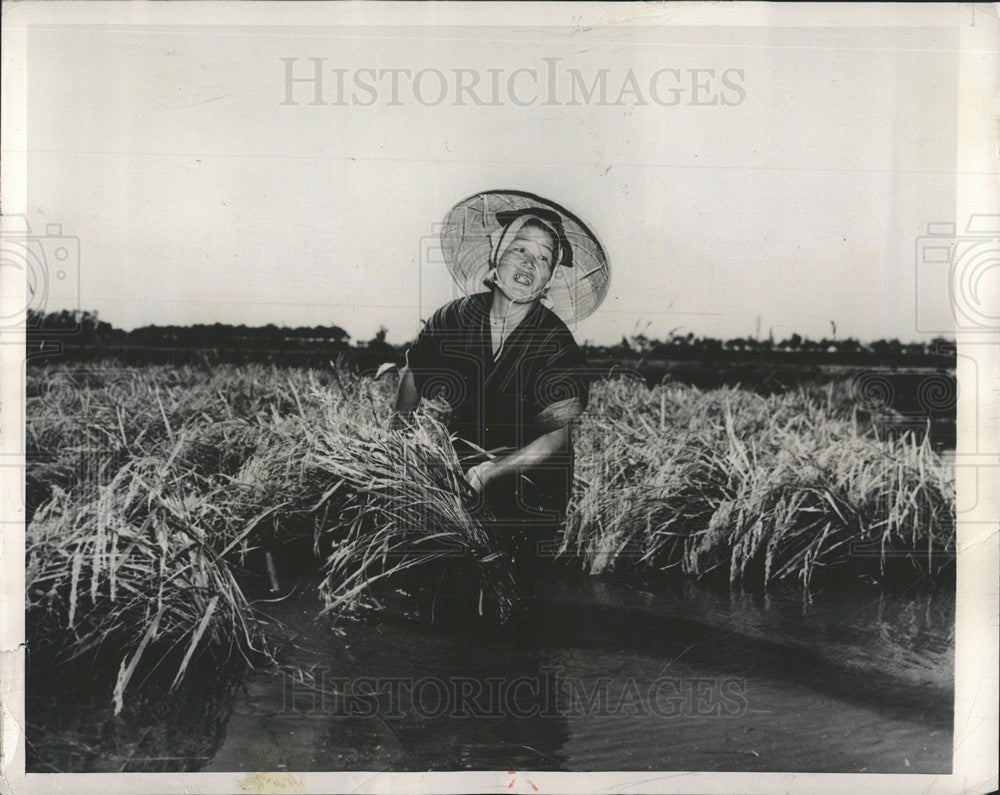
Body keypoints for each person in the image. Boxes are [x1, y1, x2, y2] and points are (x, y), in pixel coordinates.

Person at [390, 193, 609, 614]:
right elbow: (414, 372)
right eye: (519, 250)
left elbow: (554, 441)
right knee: (446, 596)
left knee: (514, 606)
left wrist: (492, 471)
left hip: (532, 488)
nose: (528, 264)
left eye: (543, 258)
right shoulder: (453, 318)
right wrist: (397, 437)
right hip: (462, 469)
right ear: (495, 255)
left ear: (548, 279)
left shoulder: (554, 342)